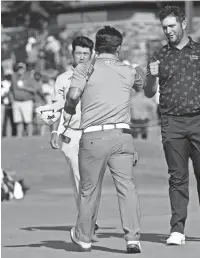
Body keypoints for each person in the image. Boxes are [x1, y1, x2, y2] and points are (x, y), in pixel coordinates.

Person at [144, 6, 200, 245]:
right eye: (164, 27)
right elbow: (148, 92)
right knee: (177, 177)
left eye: (172, 25)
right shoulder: (158, 56)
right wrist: (151, 75)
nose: (168, 31)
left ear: (183, 24)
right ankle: (177, 229)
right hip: (171, 122)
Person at [64, 26, 144, 253]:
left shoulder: (85, 68)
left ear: (95, 47)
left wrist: (69, 110)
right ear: (118, 48)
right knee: (126, 187)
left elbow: (72, 96)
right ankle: (132, 238)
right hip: (122, 135)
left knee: (89, 189)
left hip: (93, 136)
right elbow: (146, 88)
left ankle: (84, 237)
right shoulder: (127, 70)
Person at [50, 36, 99, 239]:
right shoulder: (62, 79)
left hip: (94, 132)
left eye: (86, 53)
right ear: (72, 54)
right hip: (70, 133)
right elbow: (56, 106)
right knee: (78, 178)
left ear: (92, 54)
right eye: (78, 53)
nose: (81, 57)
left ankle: (88, 219)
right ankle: (87, 221)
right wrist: (54, 131)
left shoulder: (96, 75)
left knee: (92, 179)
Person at [11, 63, 37, 137]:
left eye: (21, 69)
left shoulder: (29, 78)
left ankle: (30, 136)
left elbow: (34, 90)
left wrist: (25, 87)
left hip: (27, 102)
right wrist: (12, 99)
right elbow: (11, 90)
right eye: (18, 69)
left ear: (24, 69)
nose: (20, 70)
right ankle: (19, 136)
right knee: (18, 121)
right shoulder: (14, 78)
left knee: (28, 121)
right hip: (16, 102)